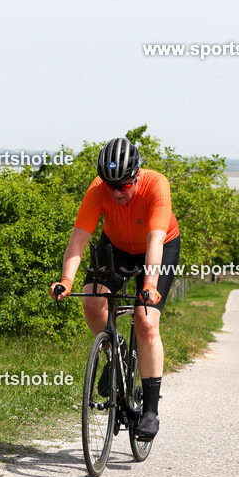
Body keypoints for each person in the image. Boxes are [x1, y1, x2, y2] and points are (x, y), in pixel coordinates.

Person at [50, 137, 180, 441]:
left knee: (146, 320)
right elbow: (79, 238)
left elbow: (154, 241)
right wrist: (67, 280)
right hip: (117, 247)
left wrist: (149, 284)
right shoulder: (99, 189)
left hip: (158, 246)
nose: (117, 192)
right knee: (93, 302)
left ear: (136, 176)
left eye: (124, 186)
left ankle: (150, 410)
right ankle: (115, 351)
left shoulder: (156, 185)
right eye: (111, 186)